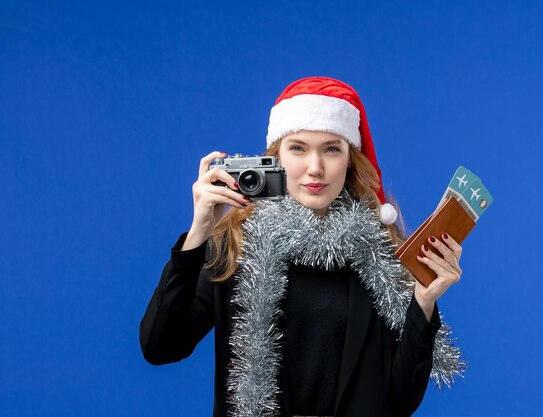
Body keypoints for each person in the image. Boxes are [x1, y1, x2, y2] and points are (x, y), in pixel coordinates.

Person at [140, 77, 464, 417]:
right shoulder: (236, 246)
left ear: (350, 160)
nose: (315, 168)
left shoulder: (378, 253)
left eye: (331, 149)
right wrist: (199, 234)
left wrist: (423, 302)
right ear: (275, 157)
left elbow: (399, 401)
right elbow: (160, 346)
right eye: (298, 148)